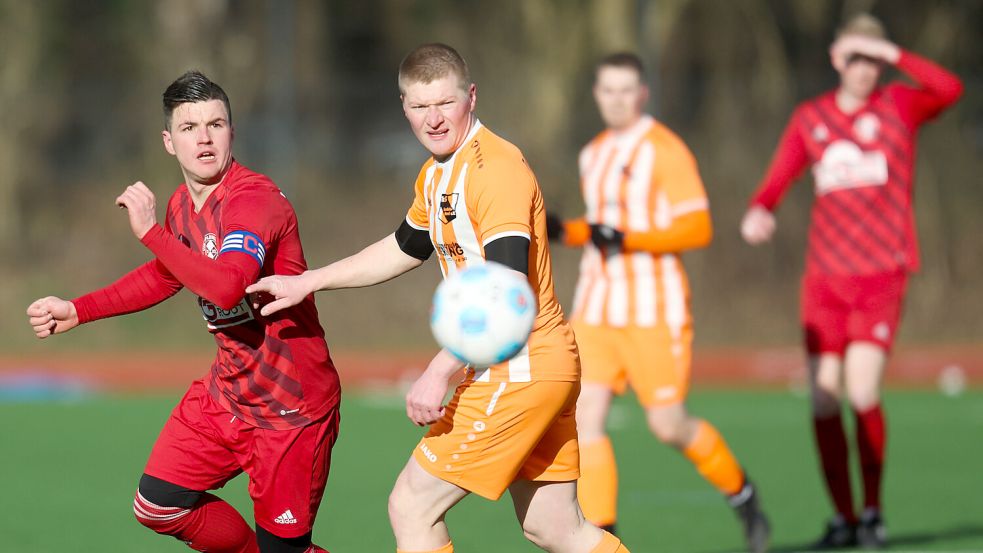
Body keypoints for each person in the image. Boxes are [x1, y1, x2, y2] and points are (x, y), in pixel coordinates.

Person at [246, 44, 629, 553]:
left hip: (519, 366)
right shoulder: (435, 174)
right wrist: (308, 281)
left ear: (470, 97)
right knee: (556, 529)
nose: (433, 119)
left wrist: (441, 368)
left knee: (411, 505)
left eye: (444, 103)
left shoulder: (494, 167)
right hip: (535, 364)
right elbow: (404, 247)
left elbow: (505, 284)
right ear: (403, 108)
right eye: (419, 106)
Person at [26, 71, 340, 553]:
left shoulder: (253, 200)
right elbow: (166, 274)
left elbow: (229, 283)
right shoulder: (181, 206)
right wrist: (78, 309)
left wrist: (152, 233)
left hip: (289, 409)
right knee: (158, 504)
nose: (205, 136)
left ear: (232, 132)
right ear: (169, 142)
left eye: (216, 124)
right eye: (190, 128)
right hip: (228, 396)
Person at [740, 14, 963, 549]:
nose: (864, 68)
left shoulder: (898, 105)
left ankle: (873, 512)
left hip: (882, 275)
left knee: (862, 390)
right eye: (855, 56)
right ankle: (842, 518)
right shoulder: (810, 117)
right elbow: (779, 177)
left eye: (872, 57)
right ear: (837, 59)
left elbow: (948, 88)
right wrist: (759, 209)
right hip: (824, 281)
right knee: (822, 398)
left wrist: (895, 53)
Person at [546, 52, 770, 553]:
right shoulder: (592, 153)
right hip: (597, 309)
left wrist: (624, 237)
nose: (617, 99)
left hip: (654, 312)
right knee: (585, 421)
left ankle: (744, 497)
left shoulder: (666, 150)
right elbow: (603, 229)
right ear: (597, 95)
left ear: (643, 93)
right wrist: (567, 230)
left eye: (627, 90)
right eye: (608, 90)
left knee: (668, 425)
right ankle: (605, 537)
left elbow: (697, 227)